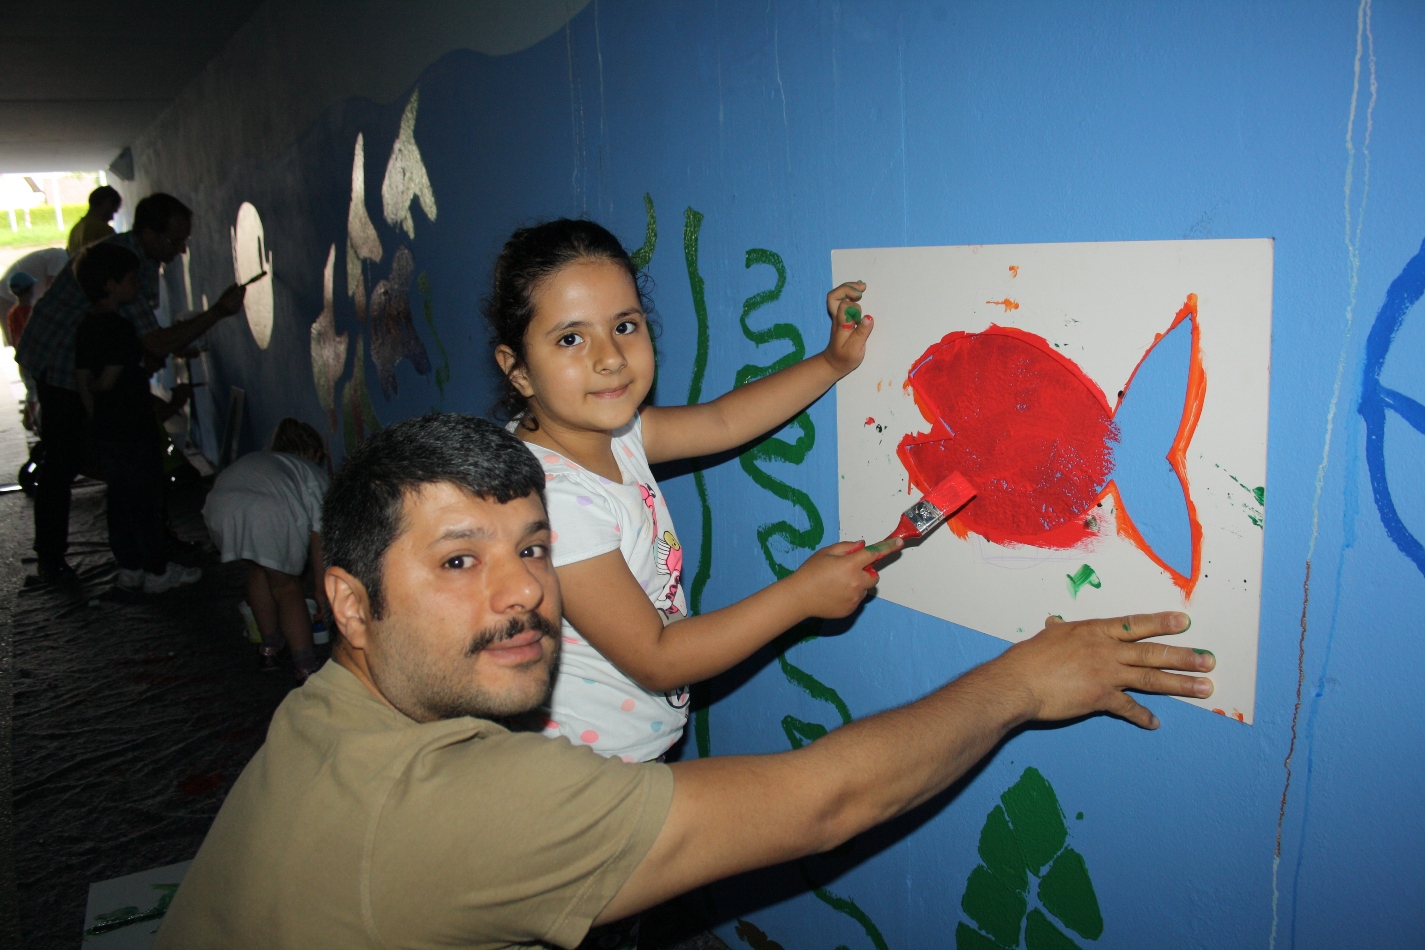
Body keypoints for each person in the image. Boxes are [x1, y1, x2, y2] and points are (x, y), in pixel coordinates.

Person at [154, 413, 1215, 949]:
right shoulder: (461, 810)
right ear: (348, 604)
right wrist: (1024, 679)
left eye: (533, 547)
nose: (523, 592)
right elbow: (825, 801)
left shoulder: (325, 707)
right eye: (459, 560)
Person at [485, 220, 885, 768]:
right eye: (571, 338)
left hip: (629, 751)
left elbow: (722, 422)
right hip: (584, 773)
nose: (610, 357)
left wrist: (830, 363)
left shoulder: (612, 432)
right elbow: (657, 658)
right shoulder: (550, 500)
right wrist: (801, 597)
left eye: (625, 326)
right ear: (518, 371)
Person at [16, 192, 246, 584]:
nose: (181, 249)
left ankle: (139, 556)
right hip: (58, 367)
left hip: (85, 386)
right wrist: (218, 312)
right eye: (175, 240)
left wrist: (100, 407)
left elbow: (126, 358)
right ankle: (69, 559)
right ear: (149, 235)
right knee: (78, 466)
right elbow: (151, 343)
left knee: (116, 482)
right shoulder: (123, 267)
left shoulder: (122, 274)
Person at [73, 243, 201, 594]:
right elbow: (107, 380)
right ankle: (157, 569)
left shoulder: (85, 327)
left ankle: (130, 567)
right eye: (131, 279)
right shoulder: (121, 328)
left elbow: (83, 381)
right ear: (111, 285)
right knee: (147, 499)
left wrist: (96, 417)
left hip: (108, 430)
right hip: (134, 426)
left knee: (119, 500)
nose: (137, 285)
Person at [203, 418, 331, 680]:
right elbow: (319, 537)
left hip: (219, 507)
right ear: (317, 454)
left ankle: (270, 648)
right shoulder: (310, 471)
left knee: (260, 569)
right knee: (287, 587)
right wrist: (321, 589)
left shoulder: (260, 460)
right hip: (266, 513)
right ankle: (305, 664)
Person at [66, 184, 122, 257]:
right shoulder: (103, 230)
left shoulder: (75, 230)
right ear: (107, 204)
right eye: (113, 211)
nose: (112, 218)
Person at [4, 270, 35, 347]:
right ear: (30, 290)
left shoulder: (12, 313)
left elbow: (13, 338)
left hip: (21, 352)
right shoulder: (32, 312)